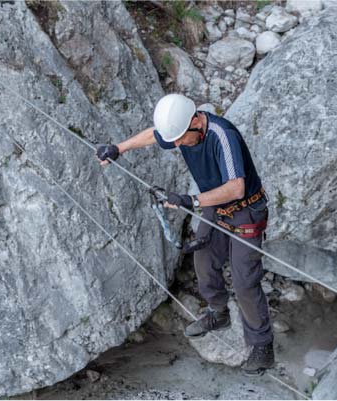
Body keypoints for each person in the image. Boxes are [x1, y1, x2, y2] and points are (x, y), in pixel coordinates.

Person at [96, 94, 274, 376]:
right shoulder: (181, 129)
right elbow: (155, 136)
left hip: (244, 210)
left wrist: (191, 200)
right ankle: (218, 312)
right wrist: (119, 148)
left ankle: (262, 347)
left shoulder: (222, 136)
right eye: (175, 140)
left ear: (195, 121)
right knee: (203, 258)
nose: (176, 145)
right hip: (216, 205)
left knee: (244, 280)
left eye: (180, 139)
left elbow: (237, 187)